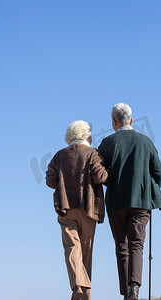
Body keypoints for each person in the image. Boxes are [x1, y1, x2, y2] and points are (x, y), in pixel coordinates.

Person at [98, 103, 161, 300]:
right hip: (141, 201)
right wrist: (149, 189)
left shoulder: (107, 143)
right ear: (131, 119)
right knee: (137, 244)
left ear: (113, 122)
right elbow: (159, 173)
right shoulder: (146, 142)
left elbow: (99, 173)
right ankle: (134, 289)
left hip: (116, 202)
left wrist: (111, 181)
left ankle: (125, 293)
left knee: (122, 246)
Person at [46, 120, 108, 300]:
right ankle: (85, 295)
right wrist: (108, 173)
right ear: (87, 135)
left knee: (72, 249)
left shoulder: (59, 156)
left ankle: (77, 285)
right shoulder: (93, 153)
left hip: (66, 209)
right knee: (86, 255)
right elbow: (99, 176)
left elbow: (50, 181)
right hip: (89, 209)